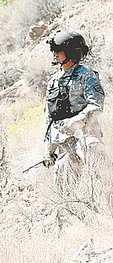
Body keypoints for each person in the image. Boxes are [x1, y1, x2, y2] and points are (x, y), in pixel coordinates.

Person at [42, 30, 106, 192]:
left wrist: (76, 121)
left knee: (96, 157)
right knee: (64, 188)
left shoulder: (86, 75)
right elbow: (50, 118)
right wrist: (48, 149)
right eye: (54, 51)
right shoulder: (53, 81)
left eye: (58, 51)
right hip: (63, 143)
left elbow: (96, 106)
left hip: (86, 134)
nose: (54, 54)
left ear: (71, 52)